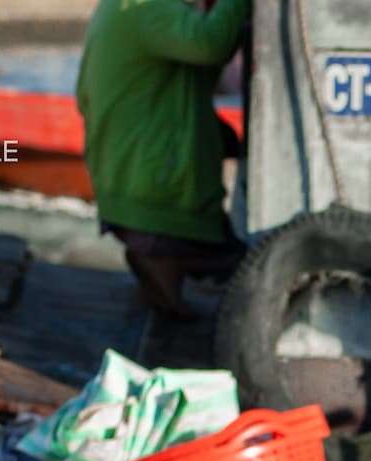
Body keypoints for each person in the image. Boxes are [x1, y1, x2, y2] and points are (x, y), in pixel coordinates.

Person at [77, 0, 249, 317]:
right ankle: (162, 259)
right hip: (156, 196)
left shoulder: (122, 7)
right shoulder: (149, 6)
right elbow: (209, 43)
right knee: (248, 272)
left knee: (229, 260)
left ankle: (162, 261)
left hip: (129, 185)